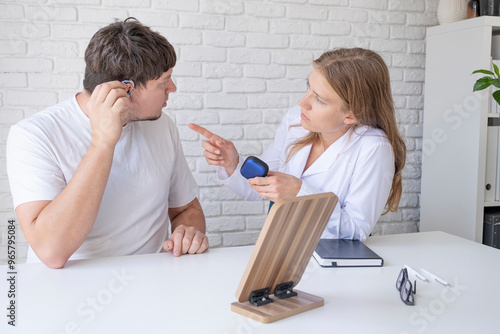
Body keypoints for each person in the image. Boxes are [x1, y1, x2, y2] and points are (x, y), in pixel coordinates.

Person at [6, 18, 208, 269]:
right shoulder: (33, 135)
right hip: (67, 291)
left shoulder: (162, 125)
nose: (172, 88)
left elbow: (185, 208)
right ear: (126, 90)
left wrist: (187, 233)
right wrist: (102, 143)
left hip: (154, 283)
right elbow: (51, 251)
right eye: (163, 82)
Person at [190, 48, 406, 241]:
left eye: (319, 99)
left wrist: (300, 192)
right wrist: (232, 164)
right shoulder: (297, 120)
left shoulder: (373, 148)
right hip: (277, 247)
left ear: (351, 115)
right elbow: (258, 189)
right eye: (308, 88)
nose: (302, 102)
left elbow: (357, 229)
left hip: (329, 262)